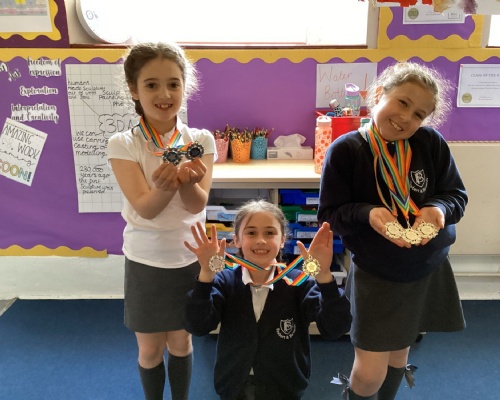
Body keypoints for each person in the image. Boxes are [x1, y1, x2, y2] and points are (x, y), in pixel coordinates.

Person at [318, 61, 468, 400]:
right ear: (378, 94)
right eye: (402, 102)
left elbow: (456, 195)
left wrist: (438, 209)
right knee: (369, 374)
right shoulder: (346, 150)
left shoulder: (430, 143)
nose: (406, 118)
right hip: (377, 274)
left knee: (399, 355)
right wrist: (368, 213)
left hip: (426, 269)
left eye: (418, 114)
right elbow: (330, 215)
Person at [107, 42, 216, 400]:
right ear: (134, 89)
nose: (164, 94)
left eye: (173, 83)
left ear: (185, 86)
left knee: (181, 343)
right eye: (151, 84)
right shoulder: (123, 144)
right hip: (147, 260)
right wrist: (166, 186)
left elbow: (197, 204)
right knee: (151, 349)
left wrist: (187, 183)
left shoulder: (200, 140)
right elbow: (146, 208)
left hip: (189, 258)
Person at [183, 199, 352, 400]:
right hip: (233, 385)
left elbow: (335, 328)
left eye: (270, 233)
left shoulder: (297, 283)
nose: (261, 240)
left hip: (284, 387)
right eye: (251, 233)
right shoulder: (225, 281)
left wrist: (324, 277)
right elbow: (198, 326)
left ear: (282, 240)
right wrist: (206, 276)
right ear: (236, 240)